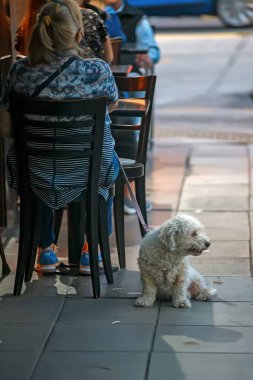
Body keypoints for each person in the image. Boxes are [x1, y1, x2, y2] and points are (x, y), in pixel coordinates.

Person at [1, 0, 119, 274]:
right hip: (87, 171)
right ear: (79, 34)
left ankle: (45, 252)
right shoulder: (97, 71)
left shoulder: (20, 71)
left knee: (38, 162)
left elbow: (6, 128)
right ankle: (92, 250)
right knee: (104, 171)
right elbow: (110, 107)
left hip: (36, 171)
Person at [16, 0, 113, 64]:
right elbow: (109, 58)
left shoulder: (28, 21)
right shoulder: (90, 16)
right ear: (79, 35)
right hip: (90, 90)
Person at [104, 0, 160, 71]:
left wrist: (148, 57)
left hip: (129, 72)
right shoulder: (91, 14)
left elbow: (151, 49)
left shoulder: (137, 16)